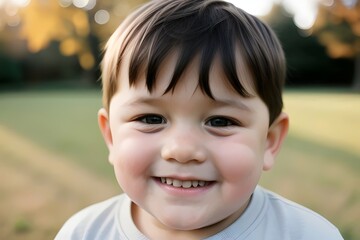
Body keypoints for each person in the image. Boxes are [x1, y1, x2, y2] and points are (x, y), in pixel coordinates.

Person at [55, 0, 344, 239]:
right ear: (111, 137)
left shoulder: (309, 234)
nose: (181, 150)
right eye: (151, 117)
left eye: (220, 121)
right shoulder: (83, 233)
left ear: (269, 141)